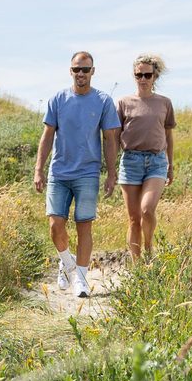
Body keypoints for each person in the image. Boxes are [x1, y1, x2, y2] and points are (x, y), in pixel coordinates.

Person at [34, 50, 120, 297]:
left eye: (85, 69)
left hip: (88, 173)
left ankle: (80, 279)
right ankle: (68, 262)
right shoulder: (58, 99)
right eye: (76, 69)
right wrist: (38, 169)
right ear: (70, 71)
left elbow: (110, 139)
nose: (80, 74)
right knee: (54, 225)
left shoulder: (103, 101)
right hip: (59, 172)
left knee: (84, 227)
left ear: (93, 71)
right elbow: (47, 136)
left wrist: (111, 173)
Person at [117, 53, 176, 261]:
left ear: (155, 77)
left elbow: (168, 134)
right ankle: (137, 265)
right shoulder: (124, 102)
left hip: (157, 162)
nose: (142, 79)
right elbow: (114, 136)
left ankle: (149, 249)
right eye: (138, 75)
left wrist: (170, 165)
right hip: (131, 161)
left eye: (147, 75)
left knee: (147, 210)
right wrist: (111, 168)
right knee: (133, 219)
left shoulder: (164, 103)